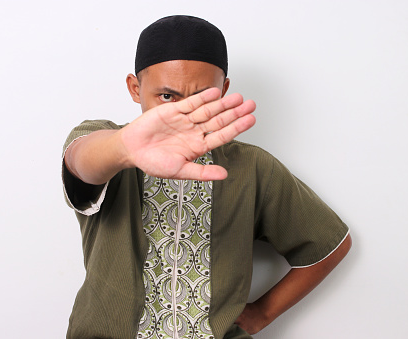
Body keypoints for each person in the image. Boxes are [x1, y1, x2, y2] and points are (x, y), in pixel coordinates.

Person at [62, 15, 351, 339]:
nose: (182, 114)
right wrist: (124, 149)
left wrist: (264, 312)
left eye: (201, 96)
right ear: (135, 88)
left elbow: (328, 245)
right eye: (167, 96)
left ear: (224, 89)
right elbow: (80, 161)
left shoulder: (253, 168)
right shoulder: (107, 143)